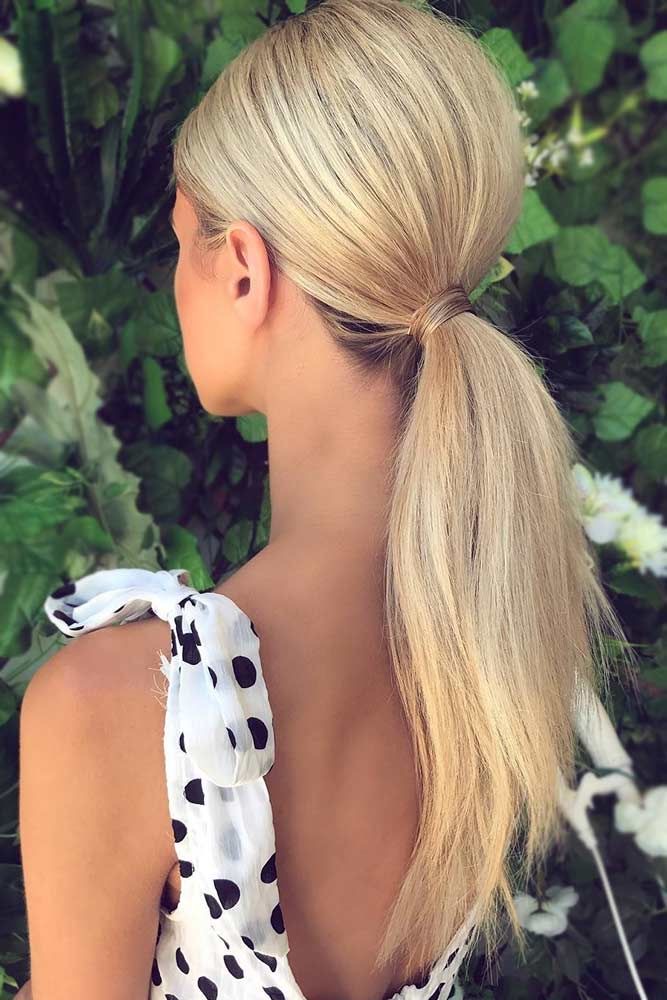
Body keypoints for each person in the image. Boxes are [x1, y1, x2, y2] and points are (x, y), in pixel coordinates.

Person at [18, 2, 637, 1000]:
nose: (174, 283)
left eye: (180, 244)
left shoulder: (117, 709)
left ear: (244, 270)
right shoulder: (492, 643)